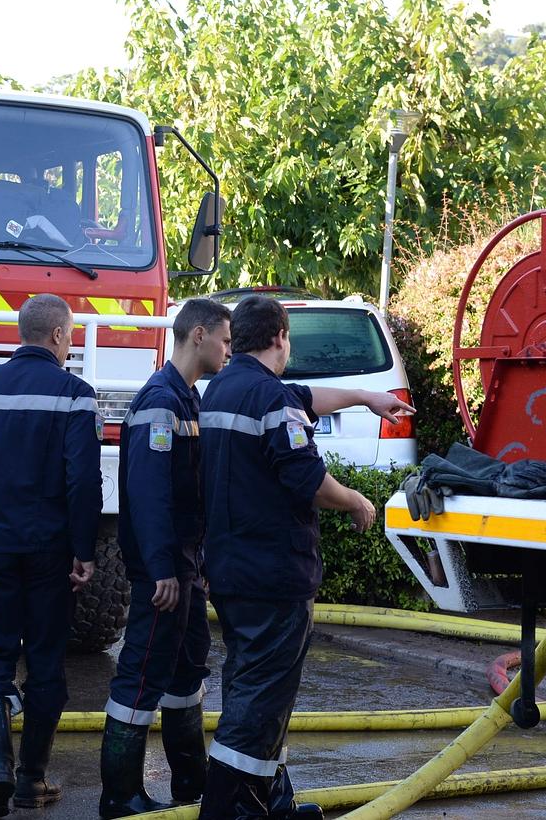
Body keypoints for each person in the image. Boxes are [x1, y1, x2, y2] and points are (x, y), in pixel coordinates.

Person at [197, 296, 411, 818]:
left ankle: (272, 799)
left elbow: (308, 397)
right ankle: (230, 806)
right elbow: (307, 480)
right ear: (280, 337)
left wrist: (365, 397)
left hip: (230, 570)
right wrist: (357, 501)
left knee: (251, 686)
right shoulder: (271, 399)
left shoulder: (224, 388)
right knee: (261, 697)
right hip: (273, 575)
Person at [0, 293, 102, 819]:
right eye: (70, 334)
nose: (71, 343)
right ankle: (31, 780)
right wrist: (84, 549)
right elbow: (83, 481)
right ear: (57, 335)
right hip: (50, 552)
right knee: (46, 662)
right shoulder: (75, 396)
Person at [99, 298, 231, 816]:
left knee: (186, 667)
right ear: (199, 335)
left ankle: (190, 782)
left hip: (184, 566)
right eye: (225, 340)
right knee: (143, 670)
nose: (228, 351)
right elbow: (150, 495)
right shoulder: (161, 401)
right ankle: (120, 794)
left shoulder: (186, 399)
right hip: (166, 571)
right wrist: (161, 570)